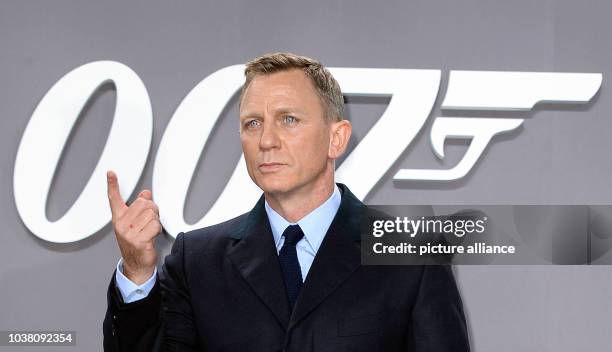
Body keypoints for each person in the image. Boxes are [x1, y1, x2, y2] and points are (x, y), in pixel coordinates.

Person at [102, 52, 469, 352]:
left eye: (288, 119)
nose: (266, 141)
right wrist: (137, 273)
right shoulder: (196, 261)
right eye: (252, 124)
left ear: (336, 139)